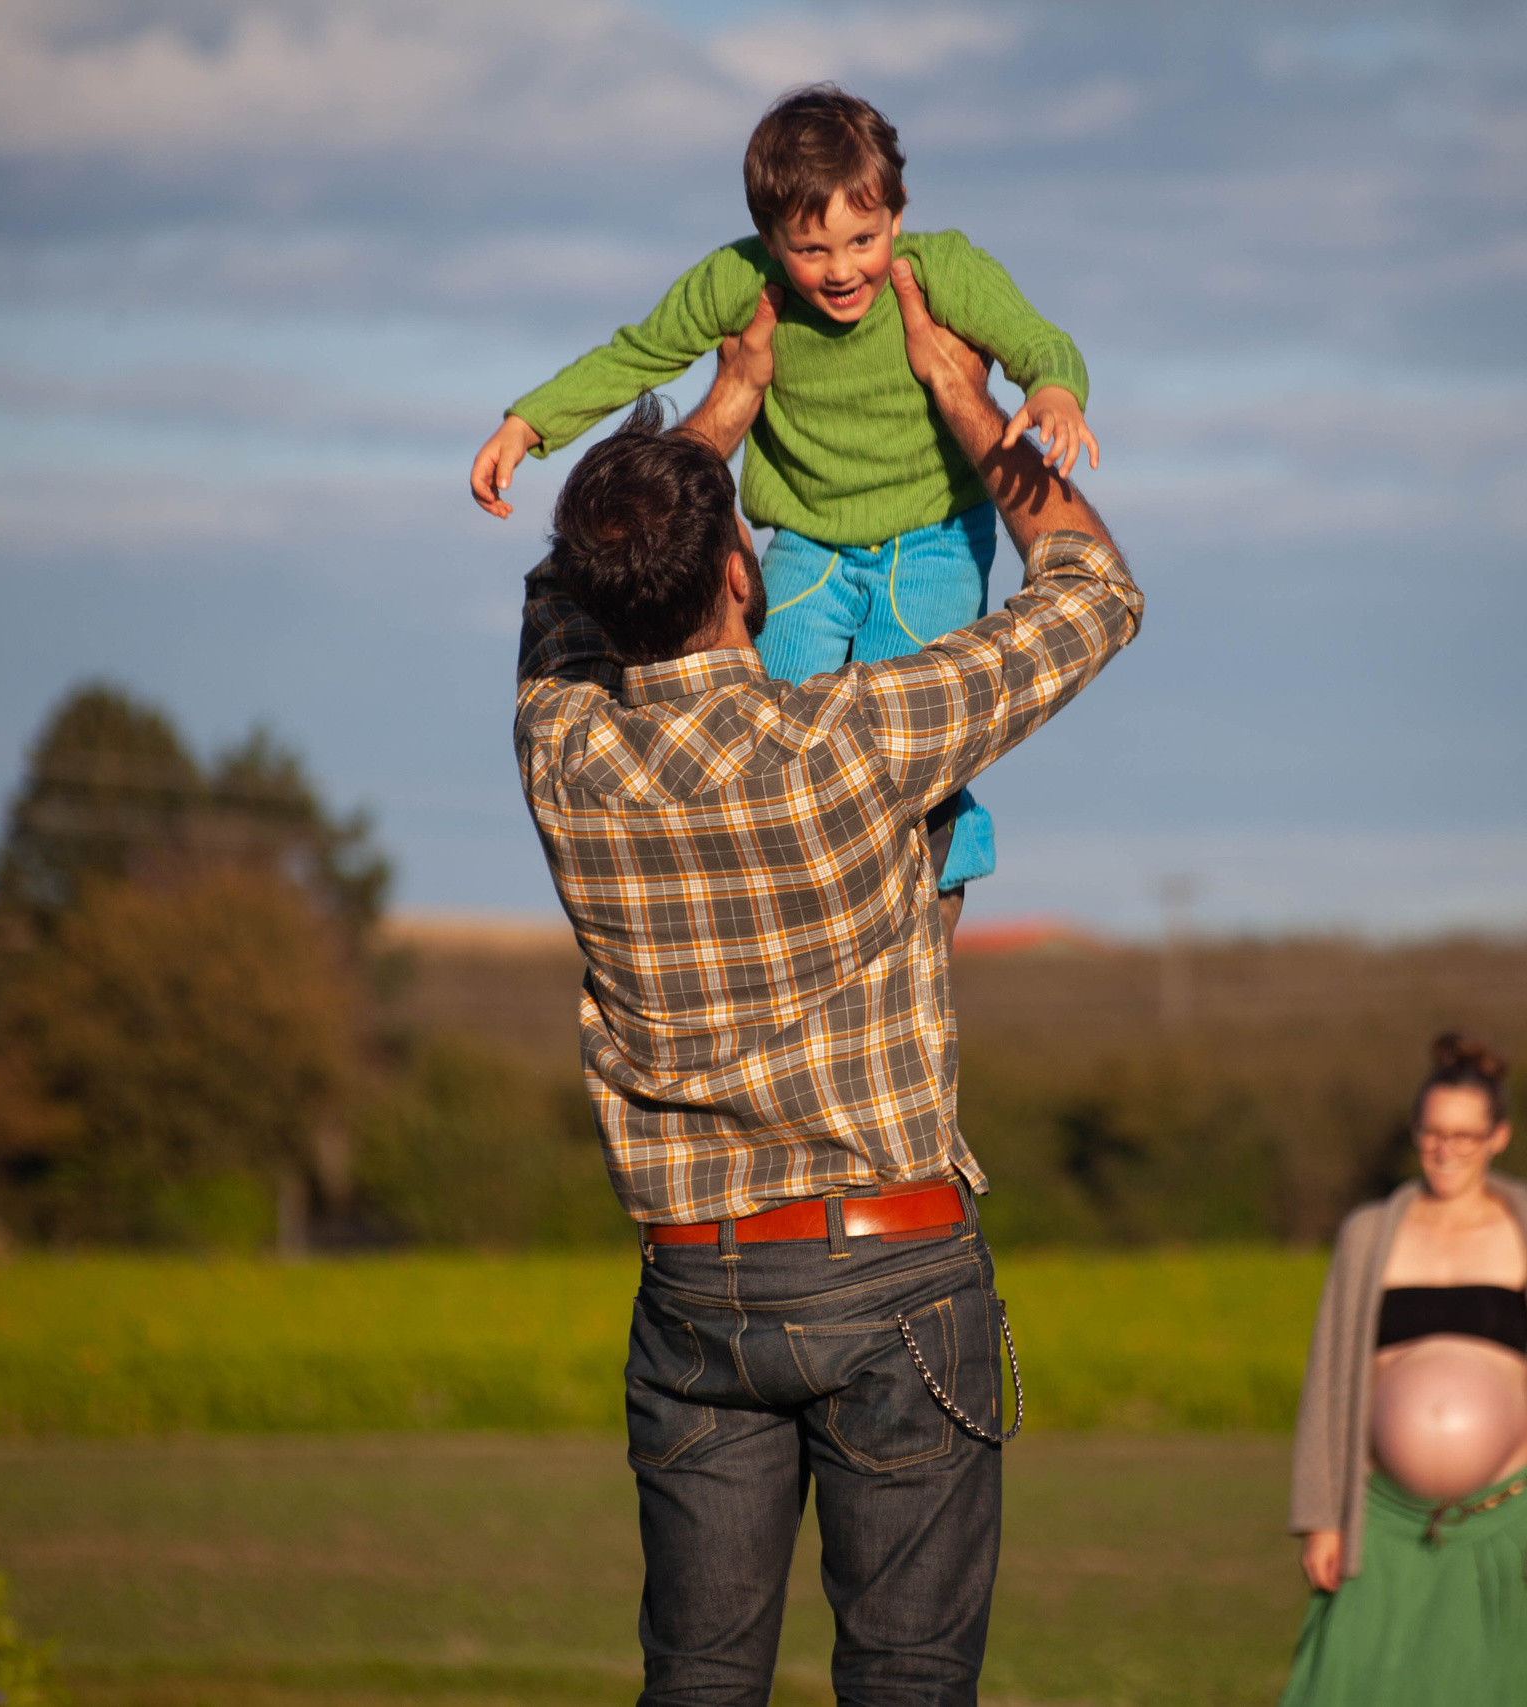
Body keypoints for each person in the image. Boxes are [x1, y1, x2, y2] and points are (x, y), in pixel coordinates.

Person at [512, 251, 1140, 1707]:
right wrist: (974, 412)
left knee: (698, 1683)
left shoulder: (564, 750)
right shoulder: (854, 736)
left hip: (693, 1285)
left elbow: (564, 589)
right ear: (747, 571)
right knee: (909, 1683)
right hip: (893, 1269)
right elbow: (1095, 592)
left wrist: (720, 407)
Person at [479, 84, 1100, 927]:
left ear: (897, 213)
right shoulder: (739, 280)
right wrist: (530, 422)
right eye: (812, 249)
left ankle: (946, 856)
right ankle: (787, 884)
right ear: (770, 239)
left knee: (907, 710)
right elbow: (640, 354)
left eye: (863, 240)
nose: (843, 270)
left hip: (933, 537)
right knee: (772, 706)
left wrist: (1056, 391)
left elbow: (1037, 339)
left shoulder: (944, 267)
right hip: (809, 539)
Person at [1283, 1034, 1527, 1707]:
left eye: (1464, 1134)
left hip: (1500, 1525)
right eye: (1432, 1131)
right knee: (1340, 1687)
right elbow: (1329, 1379)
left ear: (1498, 1136)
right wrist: (1319, 1516)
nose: (1446, 1148)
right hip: (1380, 1523)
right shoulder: (1369, 1234)